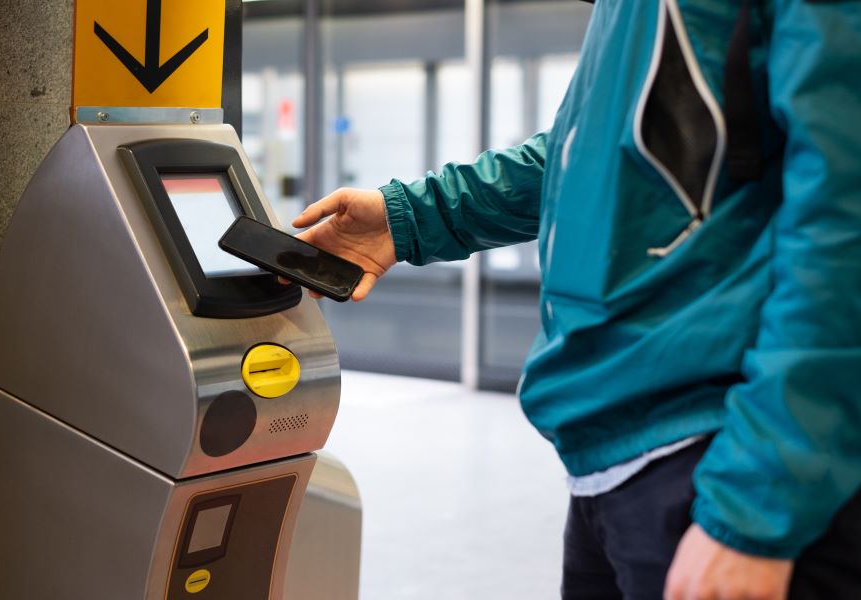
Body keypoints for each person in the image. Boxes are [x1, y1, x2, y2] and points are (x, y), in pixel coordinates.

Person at [291, 1, 861, 599]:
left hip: (717, 451)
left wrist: (758, 504)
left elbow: (841, 219)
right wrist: (412, 218)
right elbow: (590, 151)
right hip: (611, 456)